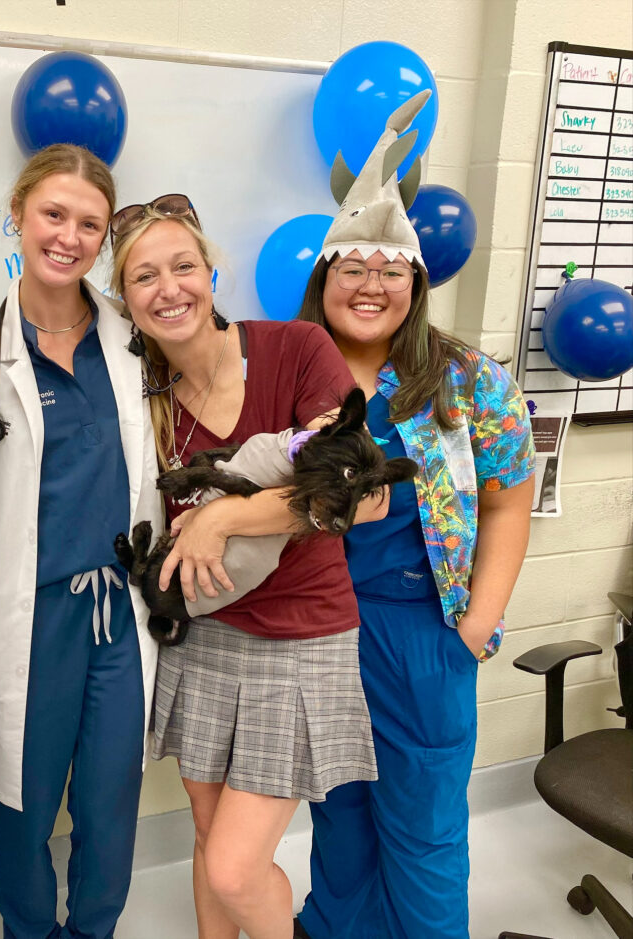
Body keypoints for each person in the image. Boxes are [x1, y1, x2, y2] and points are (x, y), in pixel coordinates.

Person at [108, 193, 385, 939]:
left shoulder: (297, 350)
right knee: (207, 840)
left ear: (211, 270)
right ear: (123, 300)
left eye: (183, 266)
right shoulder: (146, 402)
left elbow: (363, 497)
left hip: (301, 642)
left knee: (236, 866)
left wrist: (225, 513)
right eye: (144, 277)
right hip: (202, 640)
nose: (169, 289)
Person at [294, 95, 536, 939]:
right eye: (351, 268)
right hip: (319, 633)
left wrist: (477, 623)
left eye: (390, 270)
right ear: (323, 279)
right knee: (341, 818)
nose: (371, 285)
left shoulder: (470, 381)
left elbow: (509, 500)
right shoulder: (287, 377)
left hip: (424, 633)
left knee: (425, 828)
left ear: (417, 283)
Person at [0, 144, 162, 939]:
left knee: (111, 803)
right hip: (29, 617)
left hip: (120, 612)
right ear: (18, 216)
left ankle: (94, 929)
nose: (69, 236)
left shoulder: (137, 342)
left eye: (89, 224)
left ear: (104, 238)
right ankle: (28, 931)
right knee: (24, 805)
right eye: (54, 215)